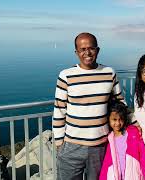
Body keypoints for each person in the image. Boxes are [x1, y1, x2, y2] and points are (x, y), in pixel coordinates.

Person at [52, 32, 124, 180]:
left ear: (98, 50)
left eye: (91, 48)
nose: (87, 52)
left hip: (100, 146)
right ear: (76, 52)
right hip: (71, 145)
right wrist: (59, 143)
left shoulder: (109, 73)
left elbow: (120, 104)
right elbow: (59, 111)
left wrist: (134, 124)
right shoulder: (66, 75)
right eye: (82, 49)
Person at [100, 101, 145, 180]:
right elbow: (106, 165)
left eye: (121, 119)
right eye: (114, 119)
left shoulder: (133, 134)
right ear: (108, 119)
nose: (118, 123)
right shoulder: (110, 140)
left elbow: (144, 157)